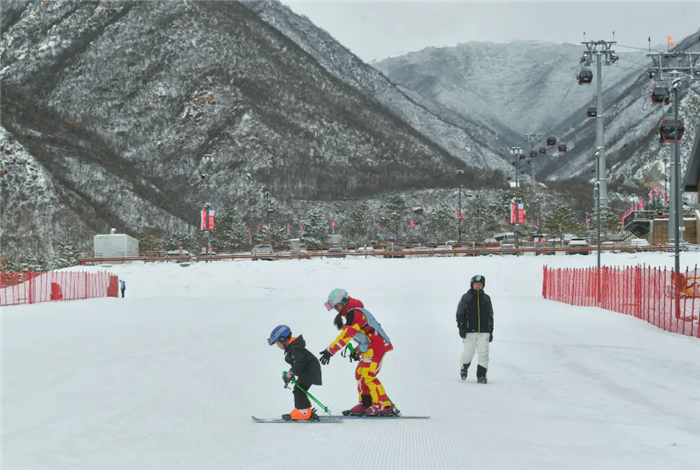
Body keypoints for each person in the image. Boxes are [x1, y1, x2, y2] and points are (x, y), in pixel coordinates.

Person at [318, 288, 396, 416]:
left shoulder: (355, 313)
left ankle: (383, 406)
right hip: (370, 346)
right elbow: (364, 338)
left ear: (342, 301)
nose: (335, 309)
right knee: (359, 374)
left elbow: (346, 336)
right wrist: (357, 351)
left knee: (368, 374)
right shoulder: (351, 313)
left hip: (378, 346)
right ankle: (366, 403)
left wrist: (330, 351)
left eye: (335, 306)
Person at [267, 325, 322, 421]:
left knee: (299, 390)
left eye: (277, 343)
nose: (278, 346)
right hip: (308, 370)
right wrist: (291, 373)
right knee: (300, 389)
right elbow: (298, 364)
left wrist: (292, 373)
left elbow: (299, 363)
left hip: (309, 371)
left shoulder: (295, 349)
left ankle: (303, 412)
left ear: (282, 339)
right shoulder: (294, 349)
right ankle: (305, 410)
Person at [456, 275, 494, 384]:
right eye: (476, 284)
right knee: (469, 352)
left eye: (480, 284)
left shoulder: (486, 298)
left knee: (484, 353)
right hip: (469, 331)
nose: (478, 286)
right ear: (472, 284)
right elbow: (460, 314)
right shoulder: (466, 297)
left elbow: (490, 316)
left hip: (484, 331)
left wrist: (491, 330)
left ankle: (481, 375)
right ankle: (464, 366)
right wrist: (461, 327)